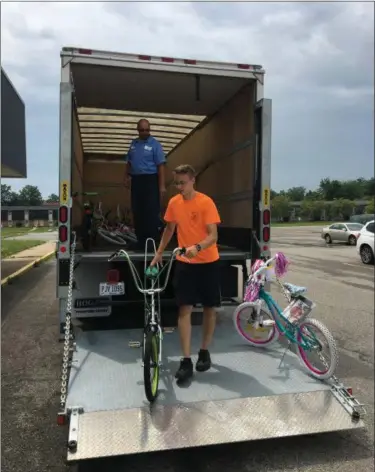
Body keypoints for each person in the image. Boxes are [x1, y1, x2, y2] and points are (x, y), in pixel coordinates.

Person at [150, 164, 221, 383]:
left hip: (208, 262)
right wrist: (159, 253)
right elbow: (169, 229)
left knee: (209, 308)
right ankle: (186, 360)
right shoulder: (174, 203)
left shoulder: (206, 202)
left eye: (182, 182)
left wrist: (197, 248)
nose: (179, 187)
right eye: (176, 183)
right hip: (184, 263)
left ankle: (204, 351)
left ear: (192, 180)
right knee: (184, 309)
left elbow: (213, 236)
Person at [124, 119, 166, 249]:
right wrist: (126, 177)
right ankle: (141, 242)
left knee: (151, 211)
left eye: (147, 130)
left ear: (150, 129)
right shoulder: (134, 144)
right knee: (137, 210)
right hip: (136, 180)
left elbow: (161, 166)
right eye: (142, 130)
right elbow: (129, 162)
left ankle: (152, 242)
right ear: (137, 130)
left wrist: (162, 186)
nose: (144, 132)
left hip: (150, 180)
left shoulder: (155, 145)